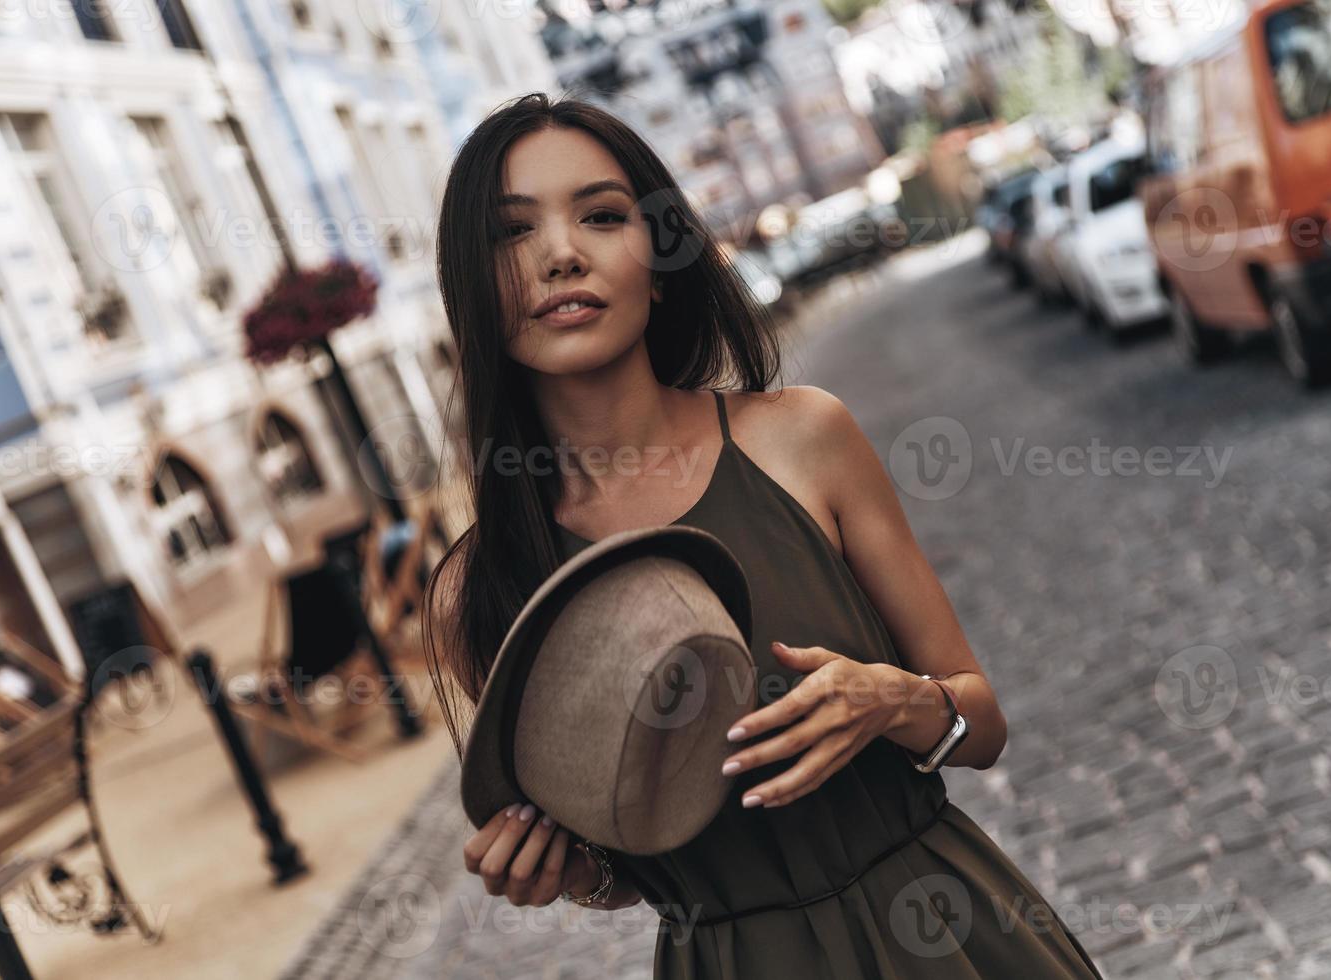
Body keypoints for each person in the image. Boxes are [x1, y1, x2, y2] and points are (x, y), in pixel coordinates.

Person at [425, 91, 1104, 978]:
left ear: (660, 258)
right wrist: (561, 871)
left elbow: (979, 725)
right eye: (510, 232)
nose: (560, 254)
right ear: (472, 283)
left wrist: (890, 701)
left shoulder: (803, 438)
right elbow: (622, 865)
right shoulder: (481, 590)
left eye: (600, 215)